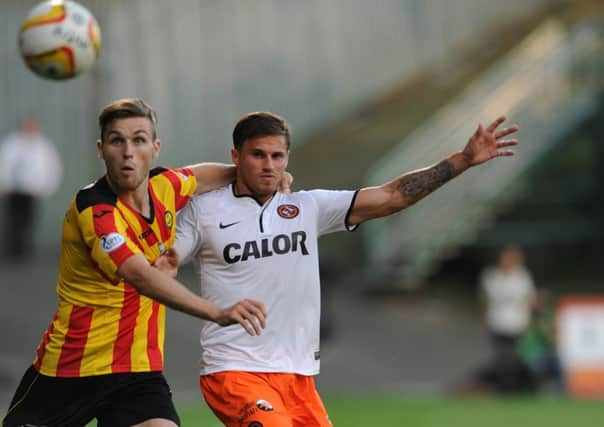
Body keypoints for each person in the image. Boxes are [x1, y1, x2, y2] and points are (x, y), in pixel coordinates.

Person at [168, 111, 520, 426]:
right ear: (236, 157)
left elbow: (392, 196)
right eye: (257, 155)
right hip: (234, 370)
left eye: (277, 156)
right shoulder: (205, 211)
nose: (268, 165)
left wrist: (462, 160)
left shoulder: (307, 207)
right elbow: (164, 265)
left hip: (297, 375)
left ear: (287, 158)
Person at [2, 98, 271, 427]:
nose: (128, 151)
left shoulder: (166, 187)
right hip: (69, 370)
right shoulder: (95, 209)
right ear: (102, 150)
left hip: (137, 372)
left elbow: (202, 177)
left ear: (155, 148)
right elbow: (138, 274)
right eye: (117, 140)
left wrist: (261, 177)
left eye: (139, 139)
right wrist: (216, 311)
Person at [0, 115, 63, 260]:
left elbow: (52, 167)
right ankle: (12, 250)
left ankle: (24, 251)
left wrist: (45, 188)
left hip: (32, 191)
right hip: (13, 190)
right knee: (13, 220)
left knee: (28, 220)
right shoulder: (12, 143)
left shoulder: (43, 146)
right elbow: (4, 165)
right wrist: (4, 184)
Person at [477, 245, 537, 393]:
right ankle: (504, 388)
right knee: (501, 357)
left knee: (513, 357)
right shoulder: (491, 276)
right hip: (497, 323)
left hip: (516, 324)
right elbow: (486, 299)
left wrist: (528, 321)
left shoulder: (522, 277)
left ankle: (516, 387)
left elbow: (529, 300)